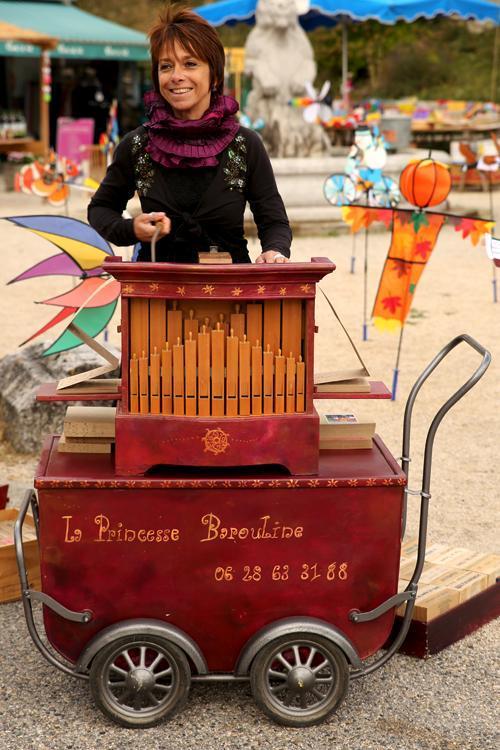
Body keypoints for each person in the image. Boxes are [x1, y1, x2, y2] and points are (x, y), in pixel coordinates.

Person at [88, 6, 291, 265]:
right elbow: (100, 209)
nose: (176, 76)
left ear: (215, 76)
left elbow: (273, 220)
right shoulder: (137, 145)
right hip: (156, 293)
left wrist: (274, 251)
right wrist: (132, 230)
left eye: (190, 64)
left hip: (233, 291)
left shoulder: (245, 145)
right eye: (166, 66)